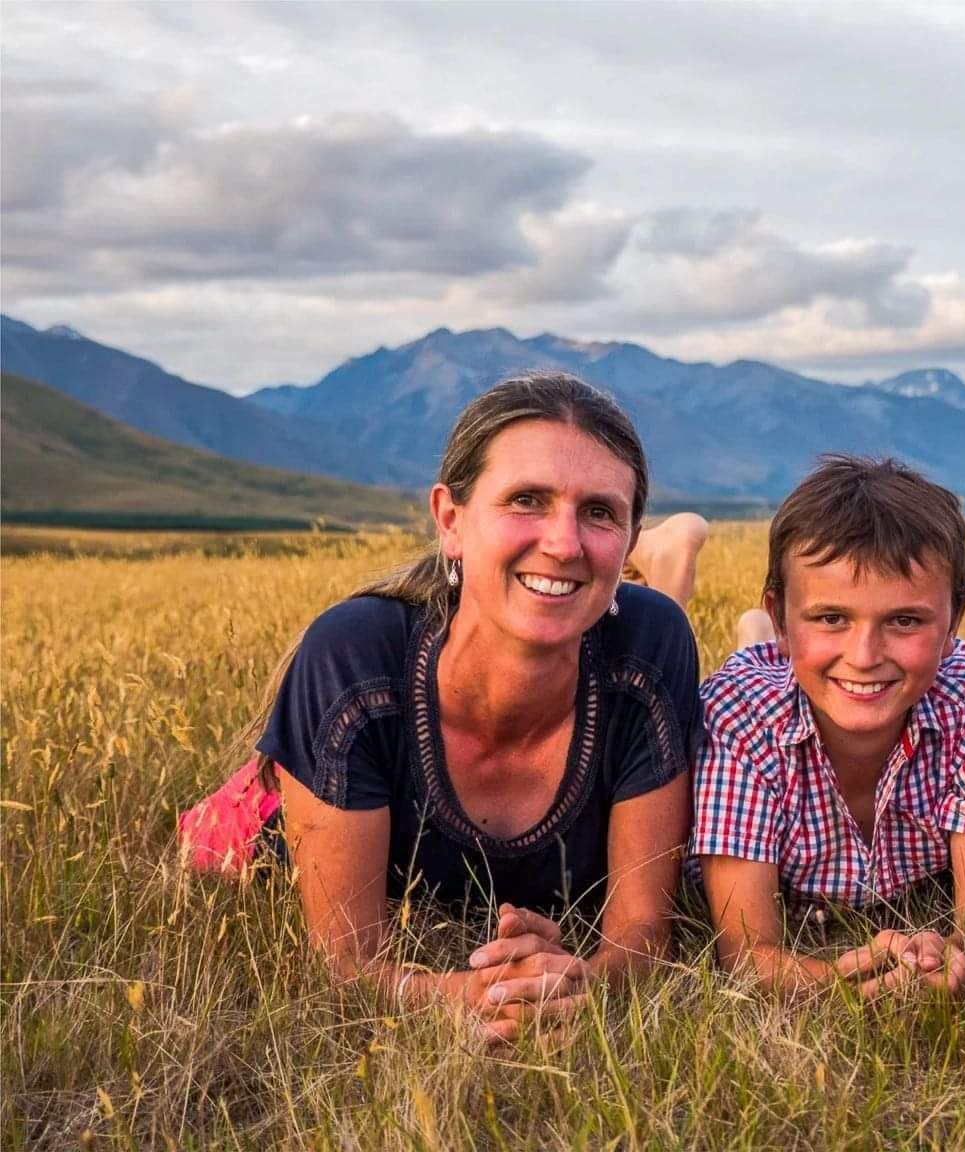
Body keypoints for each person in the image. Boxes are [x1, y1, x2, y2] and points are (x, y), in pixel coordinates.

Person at [198, 372, 705, 1044]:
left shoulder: (653, 643)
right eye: (526, 499)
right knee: (206, 849)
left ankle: (663, 567)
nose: (563, 539)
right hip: (265, 816)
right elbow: (346, 964)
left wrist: (578, 983)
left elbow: (642, 936)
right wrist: (471, 993)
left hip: (616, 630)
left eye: (600, 513)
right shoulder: (354, 659)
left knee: (633, 611)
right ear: (450, 520)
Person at [690, 456, 965, 998]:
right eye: (832, 617)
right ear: (782, 615)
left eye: (904, 620)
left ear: (954, 622)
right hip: (774, 687)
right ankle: (757, 645)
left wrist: (947, 962)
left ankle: (783, 641)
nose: (865, 655)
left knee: (828, 673)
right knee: (763, 674)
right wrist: (847, 979)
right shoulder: (737, 718)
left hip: (810, 672)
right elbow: (747, 954)